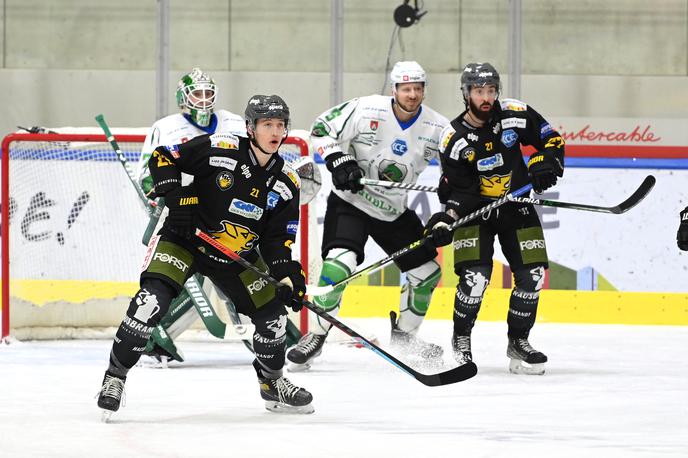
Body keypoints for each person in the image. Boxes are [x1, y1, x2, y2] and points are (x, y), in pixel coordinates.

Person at [97, 95, 314, 417]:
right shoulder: (221, 147)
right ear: (250, 128)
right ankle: (114, 378)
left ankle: (272, 383)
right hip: (183, 241)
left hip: (234, 255)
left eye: (280, 125)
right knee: (149, 303)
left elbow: (278, 238)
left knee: (274, 319)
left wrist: (288, 275)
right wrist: (174, 194)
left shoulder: (286, 182)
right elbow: (164, 157)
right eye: (267, 124)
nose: (275, 132)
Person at [287, 61, 449, 371]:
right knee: (338, 266)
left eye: (417, 88)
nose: (412, 94)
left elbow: (457, 171)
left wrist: (447, 212)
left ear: (424, 90)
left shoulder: (438, 127)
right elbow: (321, 128)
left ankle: (405, 337)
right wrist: (339, 159)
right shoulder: (365, 109)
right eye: (406, 88)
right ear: (394, 89)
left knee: (427, 273)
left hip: (394, 211)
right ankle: (316, 336)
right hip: (351, 203)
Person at [426, 62, 565, 375]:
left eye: (490, 91)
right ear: (466, 94)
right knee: (475, 279)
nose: (485, 97)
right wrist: (447, 218)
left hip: (517, 204)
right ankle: (461, 338)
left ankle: (519, 341)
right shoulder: (454, 138)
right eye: (478, 91)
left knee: (533, 276)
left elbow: (551, 140)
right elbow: (459, 191)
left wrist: (546, 162)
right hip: (476, 211)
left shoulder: (516, 113)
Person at [136, 68, 248, 364]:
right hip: (185, 212)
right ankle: (154, 336)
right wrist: (160, 193)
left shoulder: (233, 123)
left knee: (238, 269)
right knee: (187, 274)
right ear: (183, 97)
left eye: (207, 93)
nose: (203, 99)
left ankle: (266, 331)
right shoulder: (166, 127)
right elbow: (147, 172)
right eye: (196, 93)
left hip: (228, 213)